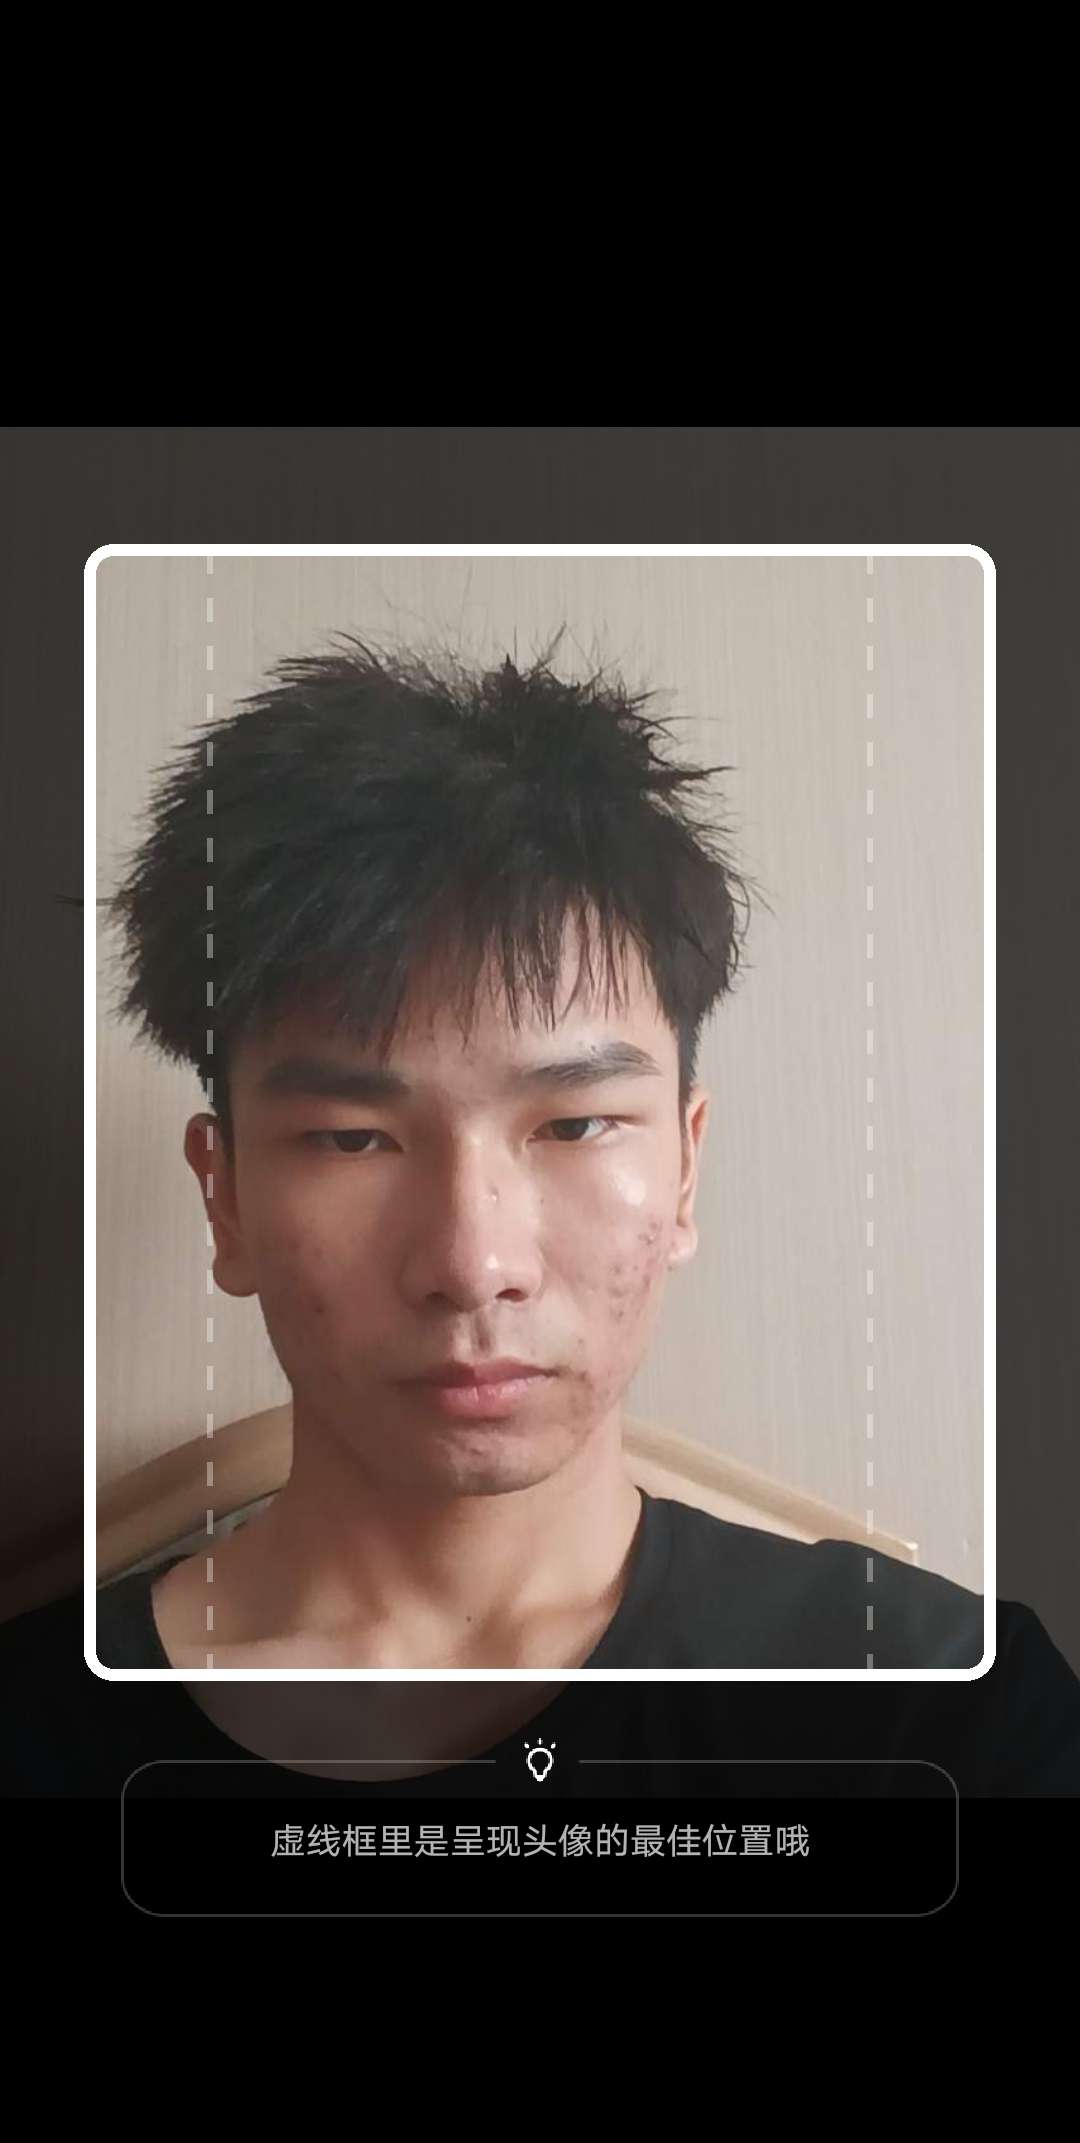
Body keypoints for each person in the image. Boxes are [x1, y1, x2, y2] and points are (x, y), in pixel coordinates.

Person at [6, 626, 1078, 1798]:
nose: (475, 1264)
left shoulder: (937, 1713)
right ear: (224, 1198)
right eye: (354, 1138)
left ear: (685, 1167)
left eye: (573, 1126)